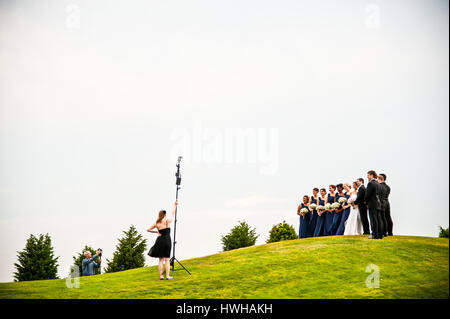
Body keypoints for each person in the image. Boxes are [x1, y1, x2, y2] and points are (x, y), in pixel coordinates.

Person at [147, 201, 177, 280]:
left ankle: (161, 276)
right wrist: (175, 205)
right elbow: (173, 213)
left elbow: (148, 229)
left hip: (159, 241)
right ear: (164, 215)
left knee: (161, 260)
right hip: (167, 240)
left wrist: (156, 231)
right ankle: (167, 276)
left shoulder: (157, 223)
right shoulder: (167, 222)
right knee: (167, 259)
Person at [365, 170, 383, 239]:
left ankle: (374, 234)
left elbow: (367, 195)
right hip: (378, 203)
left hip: (372, 203)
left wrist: (366, 202)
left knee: (373, 219)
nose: (367, 177)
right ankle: (380, 234)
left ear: (372, 175)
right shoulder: (378, 183)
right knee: (378, 219)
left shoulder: (370, 183)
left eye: (368, 175)